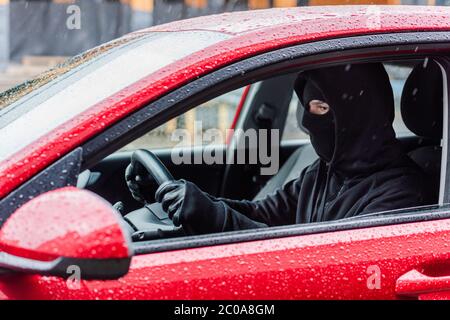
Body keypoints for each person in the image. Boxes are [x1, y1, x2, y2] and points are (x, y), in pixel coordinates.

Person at [131, 63, 431, 235]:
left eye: (322, 108)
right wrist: (188, 199)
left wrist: (217, 218)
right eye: (307, 108)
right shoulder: (326, 171)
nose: (308, 123)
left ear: (359, 113)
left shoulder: (401, 195)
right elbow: (265, 214)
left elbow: (321, 268)